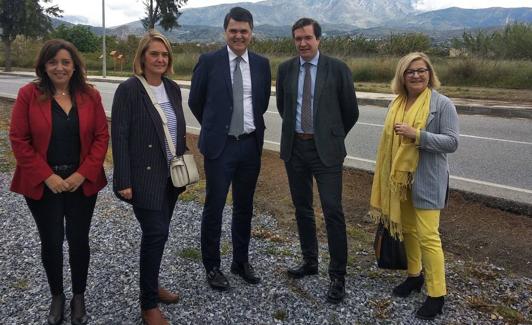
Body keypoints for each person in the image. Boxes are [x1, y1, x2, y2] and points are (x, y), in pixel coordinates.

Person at [9, 39, 109, 325]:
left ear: (75, 65)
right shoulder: (28, 94)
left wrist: (82, 173)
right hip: (44, 184)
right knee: (51, 241)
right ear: (44, 65)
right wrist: (47, 176)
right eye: (53, 62)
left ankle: (79, 295)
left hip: (81, 182)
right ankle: (57, 296)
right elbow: (19, 139)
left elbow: (102, 137)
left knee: (79, 241)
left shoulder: (90, 95)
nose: (60, 67)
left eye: (66, 62)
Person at [369, 52, 459, 320]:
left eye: (422, 70)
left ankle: (436, 294)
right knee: (408, 231)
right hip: (399, 181)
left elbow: (452, 142)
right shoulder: (396, 102)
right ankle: (414, 276)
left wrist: (417, 135)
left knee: (429, 236)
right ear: (402, 76)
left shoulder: (442, 104)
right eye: (411, 71)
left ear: (430, 74)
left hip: (427, 180)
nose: (417, 75)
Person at [276, 18, 359, 304]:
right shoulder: (286, 69)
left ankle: (337, 277)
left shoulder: (337, 69)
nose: (302, 43)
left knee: (333, 211)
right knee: (302, 209)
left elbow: (350, 111)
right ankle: (310, 262)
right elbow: (283, 108)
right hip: (295, 149)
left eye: (307, 38)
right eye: (297, 38)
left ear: (318, 39)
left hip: (327, 153)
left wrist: (329, 136)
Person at [189, 7, 271, 291]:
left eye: (244, 31)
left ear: (251, 33)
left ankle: (240, 260)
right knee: (214, 207)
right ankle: (212, 266)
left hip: (249, 146)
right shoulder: (209, 61)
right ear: (225, 32)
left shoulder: (261, 64)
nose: (239, 36)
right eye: (233, 30)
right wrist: (217, 128)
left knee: (244, 207)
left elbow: (259, 104)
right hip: (220, 148)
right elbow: (196, 102)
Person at [111, 30, 187, 324]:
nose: (160, 59)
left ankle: (152, 283)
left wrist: (183, 154)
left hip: (171, 178)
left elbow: (176, 128)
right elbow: (119, 136)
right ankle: (148, 304)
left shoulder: (172, 87)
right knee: (156, 234)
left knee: (160, 234)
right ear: (142, 57)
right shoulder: (129, 89)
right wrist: (123, 180)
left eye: (164, 54)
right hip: (144, 179)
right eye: (154, 53)